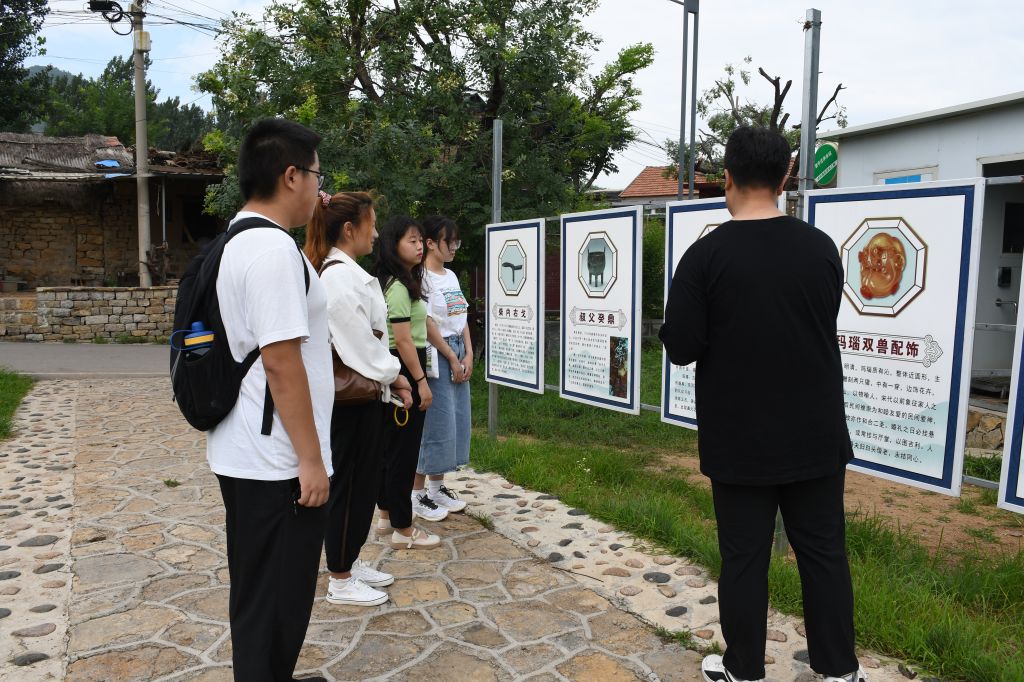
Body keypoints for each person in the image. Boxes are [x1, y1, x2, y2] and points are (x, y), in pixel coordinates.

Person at [659, 126, 866, 682]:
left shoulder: (705, 256)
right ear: (785, 177)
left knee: (744, 558)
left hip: (739, 438)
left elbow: (681, 348)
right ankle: (839, 671)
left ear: (726, 177)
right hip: (816, 433)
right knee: (824, 554)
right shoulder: (819, 248)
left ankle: (745, 670)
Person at [208, 118, 332, 682]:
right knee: (276, 601)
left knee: (262, 593)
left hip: (250, 451)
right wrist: (311, 460)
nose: (319, 187)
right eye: (317, 174)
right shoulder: (272, 250)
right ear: (291, 176)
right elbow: (282, 363)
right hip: (276, 461)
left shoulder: (237, 238)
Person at [304, 190, 414, 607]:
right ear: (350, 229)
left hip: (364, 396)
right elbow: (359, 345)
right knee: (350, 487)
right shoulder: (338, 277)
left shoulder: (346, 272)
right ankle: (341, 576)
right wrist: (395, 374)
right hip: (351, 401)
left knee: (361, 484)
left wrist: (388, 375)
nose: (376, 232)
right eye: (372, 223)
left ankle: (348, 558)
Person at [372, 215, 446, 548]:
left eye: (420, 240)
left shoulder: (389, 282)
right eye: (411, 241)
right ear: (394, 245)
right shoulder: (399, 288)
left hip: (392, 364)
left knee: (389, 446)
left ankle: (386, 515)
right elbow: (403, 340)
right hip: (404, 364)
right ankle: (403, 528)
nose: (419, 247)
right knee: (403, 451)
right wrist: (421, 381)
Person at [411, 215, 472, 514]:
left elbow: (462, 317)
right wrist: (451, 356)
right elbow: (427, 322)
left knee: (454, 423)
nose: (454, 247)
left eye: (456, 242)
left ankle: (437, 488)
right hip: (438, 353)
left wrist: (469, 353)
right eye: (450, 242)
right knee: (434, 424)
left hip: (458, 350)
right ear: (431, 243)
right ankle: (416, 493)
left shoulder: (451, 276)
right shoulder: (421, 277)